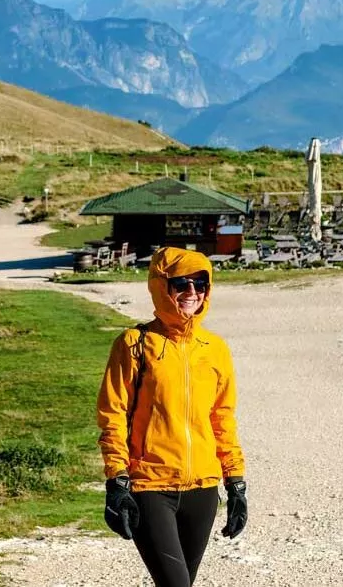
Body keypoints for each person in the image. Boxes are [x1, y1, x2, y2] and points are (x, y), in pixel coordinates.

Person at [97, 246, 247, 587]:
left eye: (201, 284)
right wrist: (117, 480)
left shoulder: (215, 349)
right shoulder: (134, 344)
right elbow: (113, 414)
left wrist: (236, 482)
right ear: (162, 286)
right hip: (151, 487)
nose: (192, 293)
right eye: (182, 284)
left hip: (204, 490)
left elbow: (222, 418)